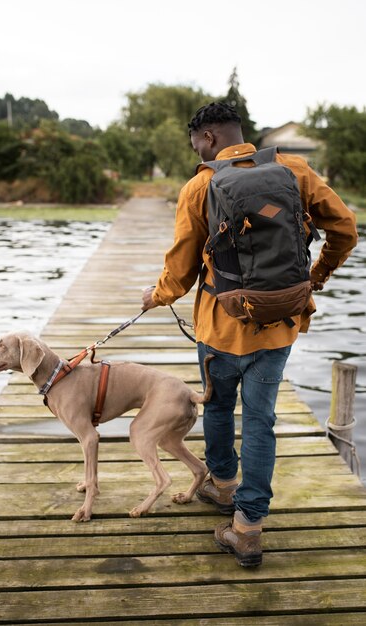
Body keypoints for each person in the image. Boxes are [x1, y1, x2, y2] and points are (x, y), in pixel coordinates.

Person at [141, 101, 357, 567]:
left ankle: (223, 488)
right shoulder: (294, 169)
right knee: (261, 420)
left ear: (210, 137)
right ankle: (248, 527)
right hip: (280, 326)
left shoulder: (200, 185)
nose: (195, 151)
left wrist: (155, 297)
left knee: (217, 405)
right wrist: (314, 279)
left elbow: (179, 272)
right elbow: (345, 229)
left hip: (219, 326)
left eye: (196, 141)